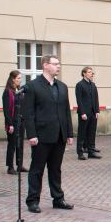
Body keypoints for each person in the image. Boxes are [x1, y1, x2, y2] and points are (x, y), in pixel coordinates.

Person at [23, 55, 74, 213]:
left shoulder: (62, 86)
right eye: (55, 64)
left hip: (59, 135)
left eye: (59, 64)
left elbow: (66, 112)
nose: (58, 66)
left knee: (55, 169)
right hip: (41, 135)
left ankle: (58, 198)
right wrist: (31, 134)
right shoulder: (33, 86)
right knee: (37, 169)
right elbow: (28, 113)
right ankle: (32, 200)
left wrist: (69, 133)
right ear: (45, 65)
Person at [2, 70, 28, 175]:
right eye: (18, 78)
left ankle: (19, 165)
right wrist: (10, 124)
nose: (20, 80)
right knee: (12, 145)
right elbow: (6, 110)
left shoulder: (19, 90)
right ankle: (10, 167)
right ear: (13, 79)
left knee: (20, 144)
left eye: (21, 78)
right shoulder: (8, 92)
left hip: (21, 121)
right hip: (13, 122)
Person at [75, 67, 102, 160]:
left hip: (93, 113)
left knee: (92, 132)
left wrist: (97, 111)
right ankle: (80, 153)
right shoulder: (79, 85)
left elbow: (96, 99)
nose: (91, 74)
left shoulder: (93, 85)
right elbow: (79, 100)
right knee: (82, 133)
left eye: (92, 72)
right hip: (84, 113)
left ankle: (91, 151)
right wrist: (82, 113)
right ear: (84, 73)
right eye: (89, 72)